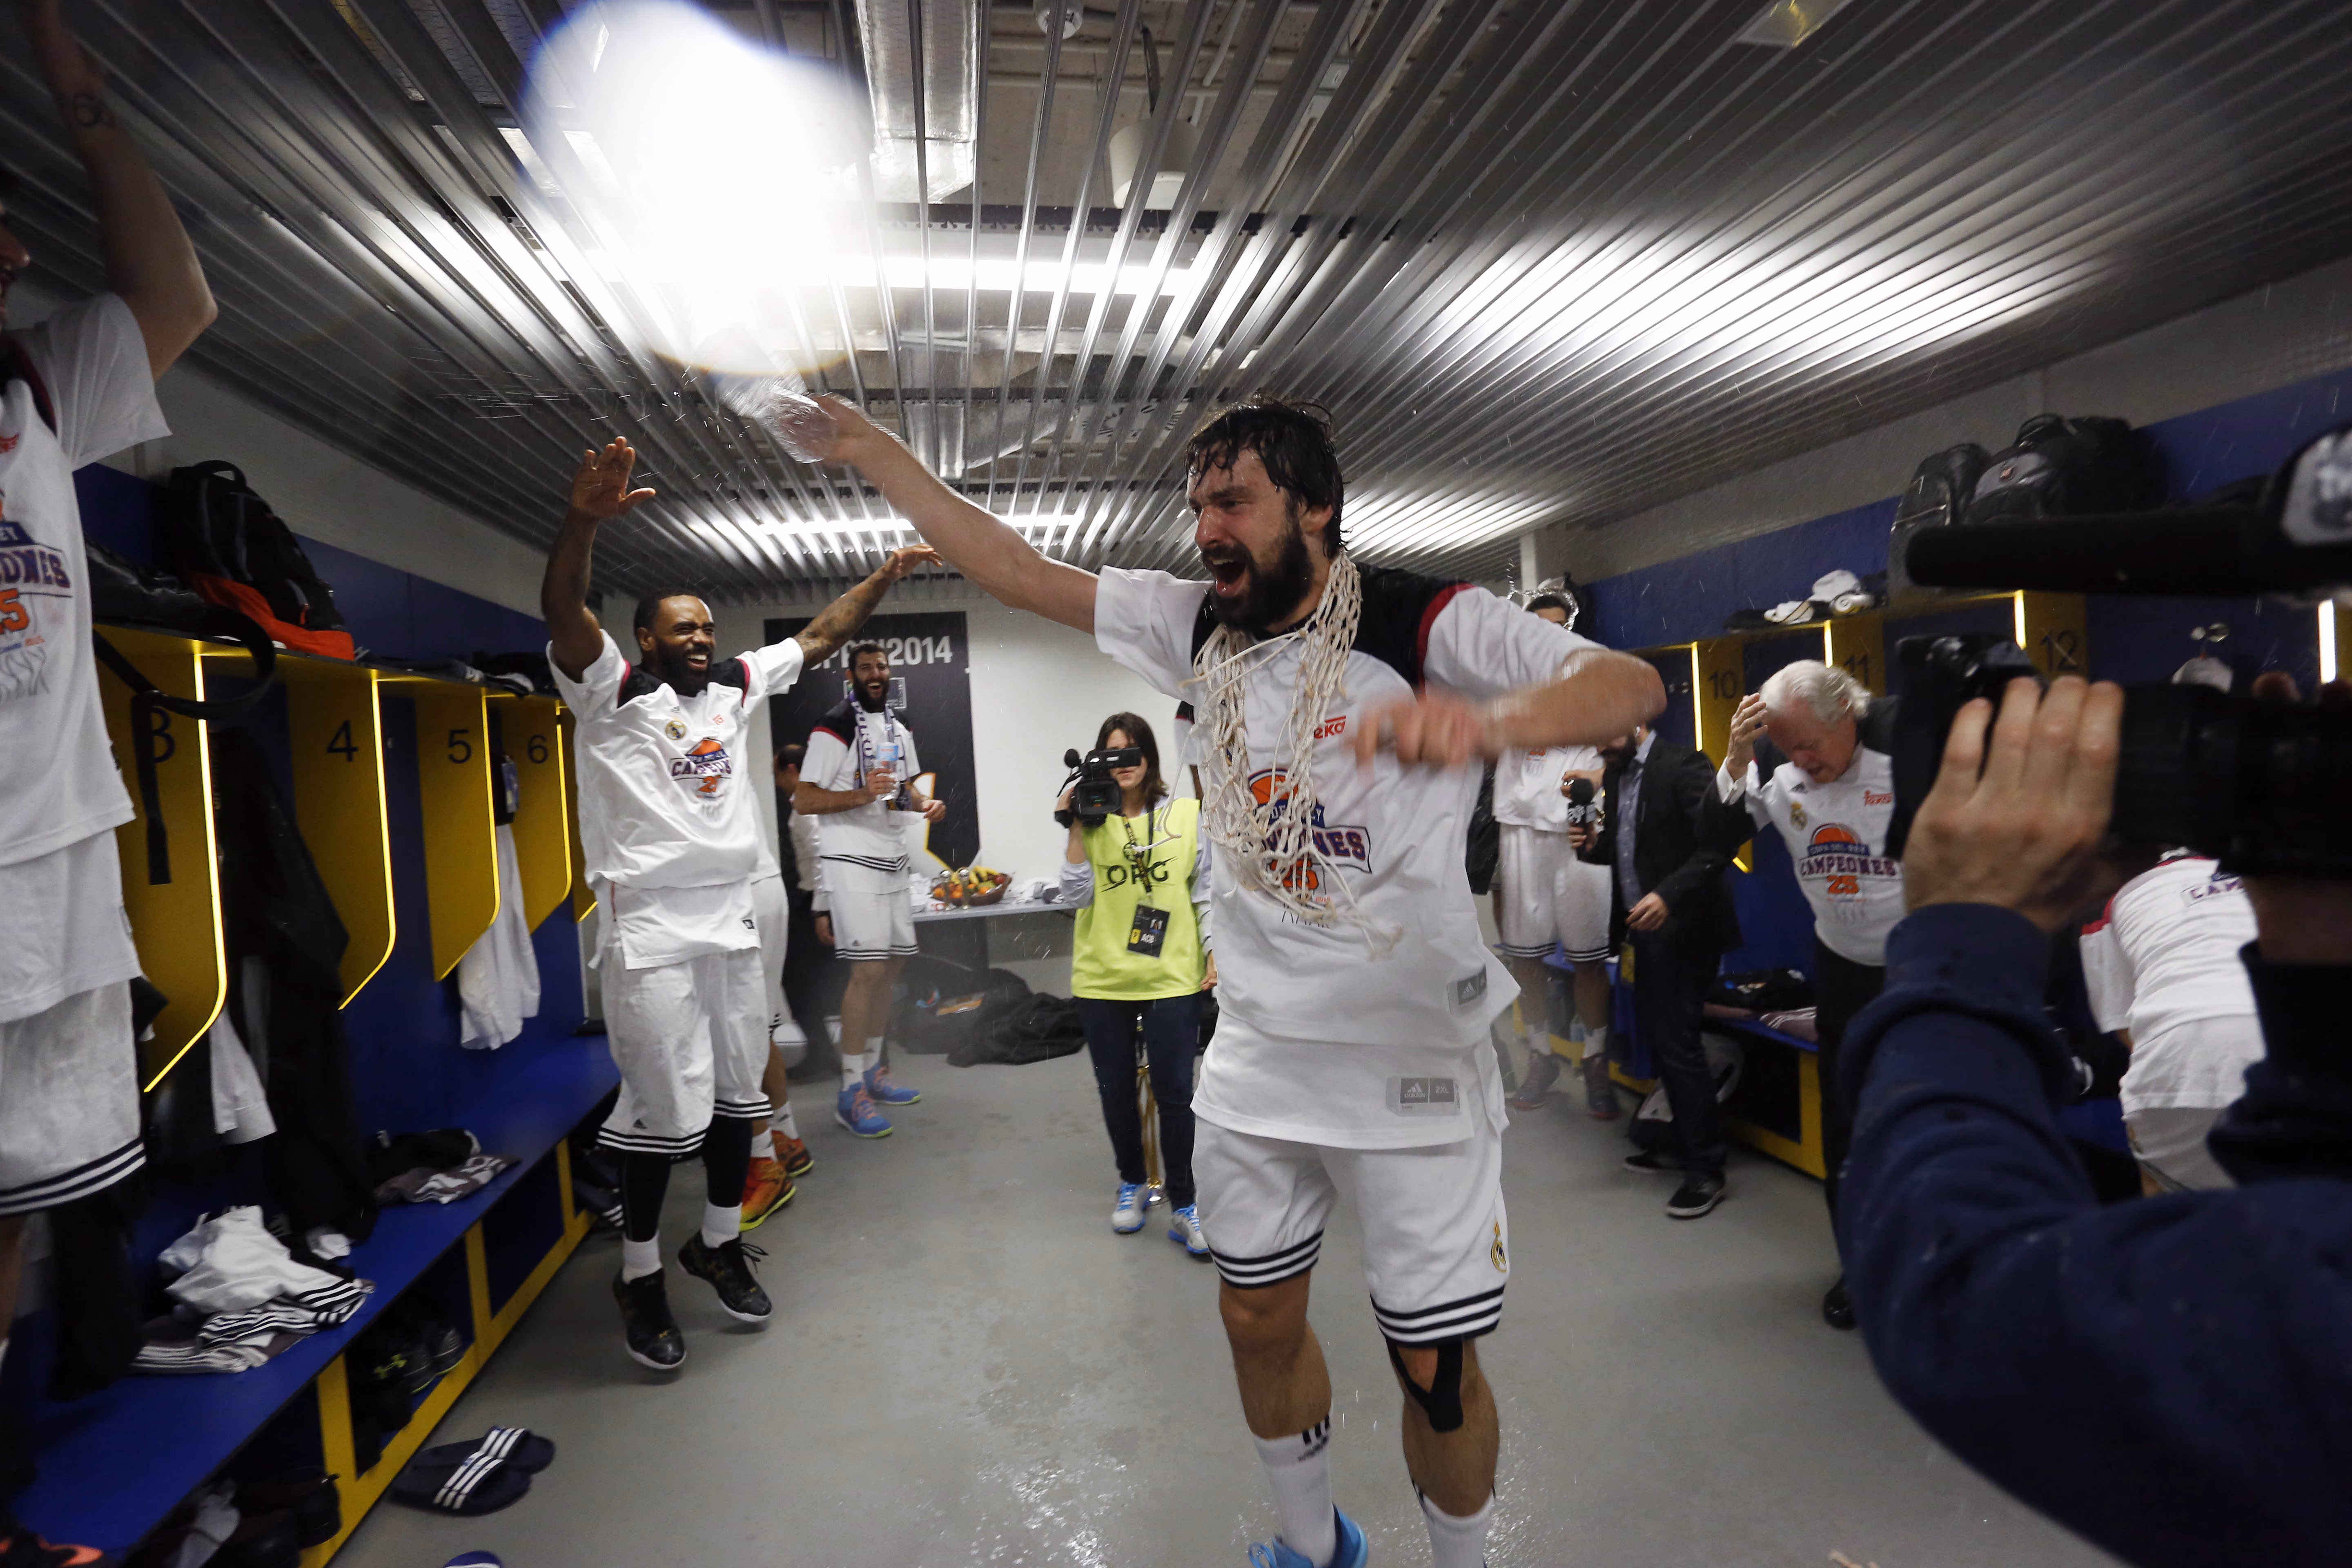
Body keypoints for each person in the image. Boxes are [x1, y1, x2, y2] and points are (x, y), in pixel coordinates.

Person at [806, 389, 1662, 1568]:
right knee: (1255, 1315)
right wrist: (876, 455)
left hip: (1410, 1056)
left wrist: (1484, 726)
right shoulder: (1193, 625)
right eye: (1198, 500)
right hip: (1260, 1052)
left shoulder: (1424, 623)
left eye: (1234, 500)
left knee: (1436, 1369)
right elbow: (1010, 567)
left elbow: (1630, 688)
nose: (1208, 525)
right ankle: (1314, 1547)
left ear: (1314, 509)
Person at [1839, 670, 2352, 1567]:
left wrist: (1967, 929)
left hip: (2165, 1070)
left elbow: (1966, 1295)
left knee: (2165, 1211)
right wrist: (2316, 936)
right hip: (2248, 1058)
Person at [543, 436, 935, 1370]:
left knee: (732, 1102)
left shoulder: (731, 686)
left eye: (707, 627)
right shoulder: (608, 691)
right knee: (656, 1111)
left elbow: (821, 635)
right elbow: (563, 606)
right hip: (649, 927)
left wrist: (883, 572)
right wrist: (581, 522)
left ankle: (714, 1241)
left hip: (728, 918)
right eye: (682, 627)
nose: (701, 638)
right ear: (644, 635)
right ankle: (638, 1274)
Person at [0, 4, 216, 1559]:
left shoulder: (36, 390)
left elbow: (177, 294)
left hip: (61, 855)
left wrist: (81, 95)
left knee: (17, 1198)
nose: (14, 248)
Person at [1719, 660, 1902, 1328]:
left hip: (1920, 969)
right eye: (1786, 747)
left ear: (1847, 716)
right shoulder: (1786, 779)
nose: (1801, 760)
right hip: (1845, 971)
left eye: (1812, 745)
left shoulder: (1906, 760)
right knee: (1847, 1127)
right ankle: (1859, 1265)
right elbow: (1723, 827)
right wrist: (1741, 755)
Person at [1056, 712, 1215, 1255]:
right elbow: (1075, 897)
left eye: (1131, 752)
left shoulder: (1188, 816)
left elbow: (1206, 893)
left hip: (1173, 975)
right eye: (1110, 754)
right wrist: (1076, 823)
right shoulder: (1092, 821)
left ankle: (1184, 1205)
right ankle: (1132, 1183)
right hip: (1103, 980)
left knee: (1176, 1094)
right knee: (1116, 1091)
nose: (1122, 764)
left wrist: (1215, 952)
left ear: (1149, 757)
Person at [1571, 721, 1744, 1220]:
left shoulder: (1683, 765)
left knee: (1679, 1044)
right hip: (1645, 935)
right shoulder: (1619, 774)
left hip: (1687, 930)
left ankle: (1706, 1169)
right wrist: (1587, 840)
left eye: (1606, 735)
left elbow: (1717, 846)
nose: (1600, 746)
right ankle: (1679, 1143)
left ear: (1635, 722)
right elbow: (1621, 849)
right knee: (1664, 1040)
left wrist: (1668, 895)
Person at [794, 642, 948, 1138]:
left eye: (882, 667)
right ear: (852, 675)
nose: (876, 674)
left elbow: (902, 791)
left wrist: (924, 805)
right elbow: (805, 798)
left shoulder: (898, 730)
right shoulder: (833, 725)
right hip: (849, 861)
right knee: (868, 972)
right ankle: (849, 1091)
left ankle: (875, 1072)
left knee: (895, 965)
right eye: (866, 668)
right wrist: (864, 794)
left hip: (892, 859)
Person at [1492, 593, 1616, 1118]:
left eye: (1559, 626)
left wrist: (1594, 792)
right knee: (1525, 957)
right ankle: (1541, 1056)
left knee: (1589, 957)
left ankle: (1595, 1062)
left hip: (1577, 817)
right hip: (1520, 825)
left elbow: (1623, 749)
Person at [2078, 851, 2263, 1193]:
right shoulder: (2278, 879)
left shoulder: (2111, 904)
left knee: (2170, 1202)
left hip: (2178, 1065)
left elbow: (2125, 1030)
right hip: (2297, 1047)